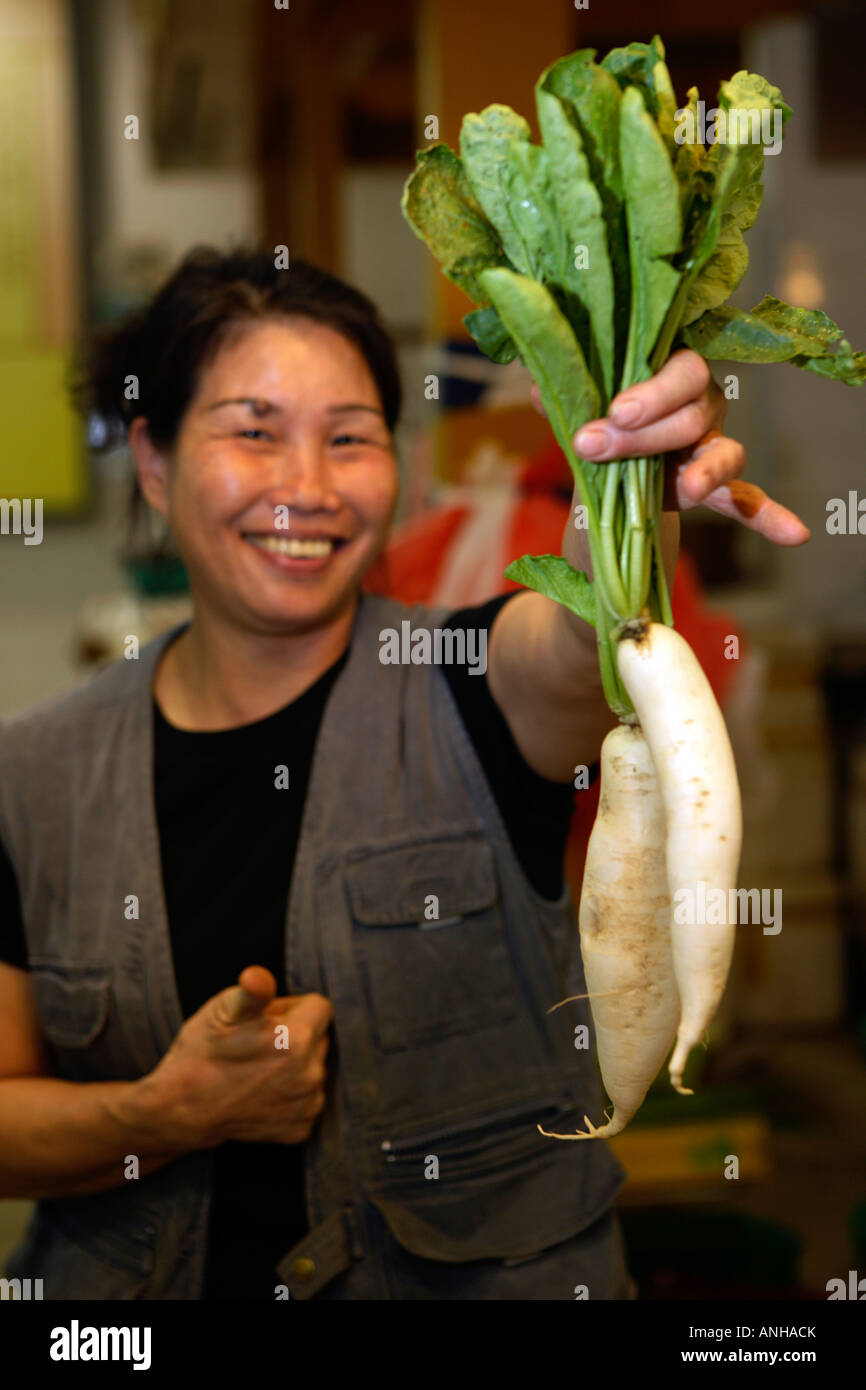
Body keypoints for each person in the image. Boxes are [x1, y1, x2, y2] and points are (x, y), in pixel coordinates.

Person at [0, 246, 808, 1301]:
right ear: (151, 460)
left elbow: (580, 644)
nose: (306, 486)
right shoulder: (32, 772)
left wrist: (626, 470)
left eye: (348, 438)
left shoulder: (471, 675)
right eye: (253, 432)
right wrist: (168, 1114)